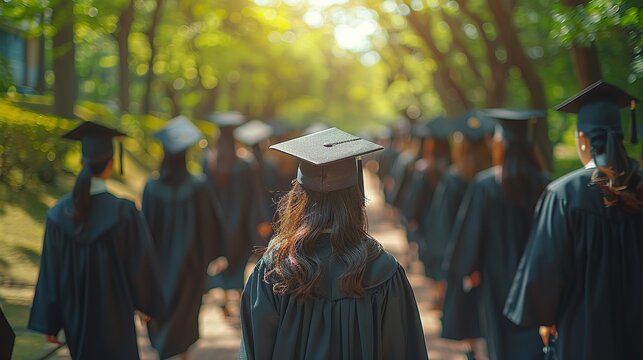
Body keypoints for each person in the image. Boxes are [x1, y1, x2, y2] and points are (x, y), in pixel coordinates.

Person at [238, 128, 428, 360]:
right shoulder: (383, 270)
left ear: (299, 195)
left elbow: (255, 349)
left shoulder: (275, 267)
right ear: (356, 195)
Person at [504, 81, 643, 360]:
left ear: (582, 140)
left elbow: (546, 269)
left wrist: (545, 315)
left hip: (584, 335)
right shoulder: (638, 187)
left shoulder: (565, 194)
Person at [28, 121, 165, 359]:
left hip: (75, 318)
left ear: (82, 162)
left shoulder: (57, 215)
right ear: (110, 164)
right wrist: (147, 302)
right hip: (116, 316)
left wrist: (50, 322)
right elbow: (140, 264)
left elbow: (51, 271)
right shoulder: (124, 212)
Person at [448, 109, 549, 360]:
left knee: (502, 346)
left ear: (501, 143)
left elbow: (470, 237)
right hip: (538, 280)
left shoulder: (486, 186)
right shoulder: (546, 184)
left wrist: (467, 269)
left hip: (496, 281)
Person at [142, 116, 225, 359]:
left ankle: (164, 353)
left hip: (158, 268)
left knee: (163, 318)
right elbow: (212, 225)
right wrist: (214, 255)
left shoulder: (151, 187)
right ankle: (182, 356)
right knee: (184, 320)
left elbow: (144, 231)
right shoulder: (198, 185)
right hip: (190, 268)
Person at [423, 110, 495, 359]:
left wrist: (447, 265)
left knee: (467, 308)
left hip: (463, 255)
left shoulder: (454, 178)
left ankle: (472, 348)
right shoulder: (494, 177)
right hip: (494, 257)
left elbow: (443, 225)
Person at [203, 111, 270, 316]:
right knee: (239, 263)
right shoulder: (246, 163)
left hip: (217, 224)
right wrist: (261, 218)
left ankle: (223, 298)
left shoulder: (210, 162)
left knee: (223, 260)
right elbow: (256, 195)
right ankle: (239, 296)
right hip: (240, 224)